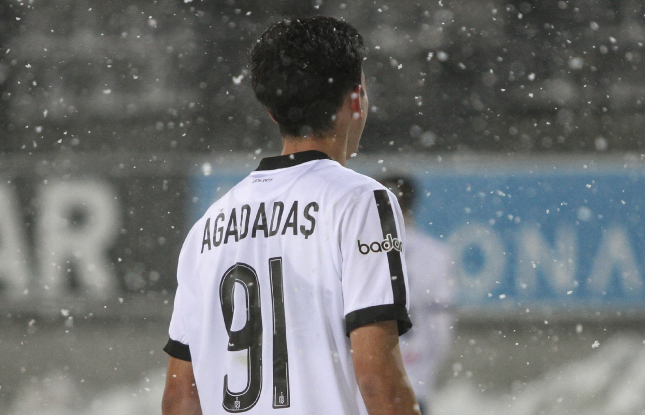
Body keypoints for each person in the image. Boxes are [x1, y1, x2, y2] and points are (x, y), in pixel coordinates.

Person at [161, 16, 420, 415]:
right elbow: (376, 378)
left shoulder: (207, 226)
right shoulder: (360, 201)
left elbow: (181, 396)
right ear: (356, 100)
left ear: (272, 112)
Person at [380, 176, 455, 414]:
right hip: (415, 380)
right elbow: (441, 327)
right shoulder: (435, 253)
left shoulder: (360, 250)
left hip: (370, 380)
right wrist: (426, 371)